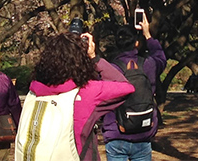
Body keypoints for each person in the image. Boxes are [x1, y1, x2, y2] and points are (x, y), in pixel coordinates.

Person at [19, 31, 133, 161]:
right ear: (81, 62)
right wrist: (94, 58)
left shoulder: (34, 92)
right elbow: (126, 87)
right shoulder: (88, 92)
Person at [102, 13, 167, 161]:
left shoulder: (111, 69)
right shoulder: (148, 65)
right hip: (143, 134)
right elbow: (160, 57)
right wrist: (147, 34)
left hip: (116, 134)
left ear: (117, 44)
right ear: (136, 43)